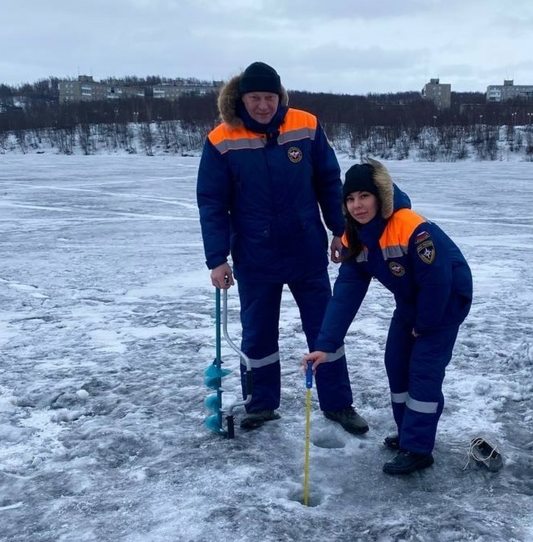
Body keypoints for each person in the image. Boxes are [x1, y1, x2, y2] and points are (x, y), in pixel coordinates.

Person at [196, 62, 368, 435]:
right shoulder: (222, 139)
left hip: (305, 250)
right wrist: (216, 258)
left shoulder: (305, 125)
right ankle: (260, 405)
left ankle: (338, 404)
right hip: (255, 256)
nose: (262, 105)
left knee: (326, 331)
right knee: (257, 335)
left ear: (280, 96)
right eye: (255, 98)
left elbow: (327, 180)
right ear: (241, 99)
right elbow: (212, 202)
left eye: (269, 97)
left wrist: (342, 230)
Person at [303, 158, 473, 475]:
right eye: (350, 199)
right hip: (411, 302)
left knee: (423, 370)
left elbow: (438, 282)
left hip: (445, 302)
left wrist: (424, 326)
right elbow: (346, 293)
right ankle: (409, 431)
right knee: (395, 361)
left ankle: (418, 449)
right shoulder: (358, 236)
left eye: (364, 196)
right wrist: (325, 345)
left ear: (380, 196)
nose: (357, 205)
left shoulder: (410, 226)